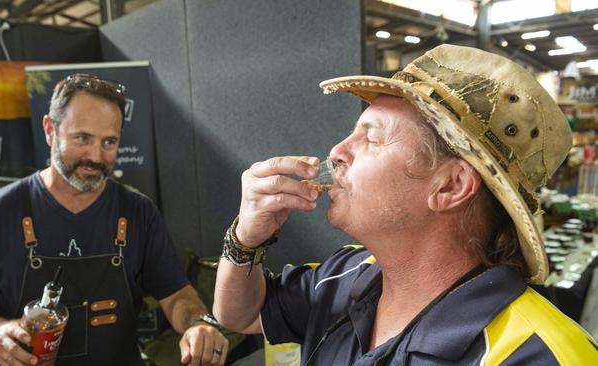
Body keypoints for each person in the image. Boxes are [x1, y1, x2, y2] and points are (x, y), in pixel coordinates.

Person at [213, 44, 598, 365]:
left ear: (450, 186)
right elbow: (241, 314)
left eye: (373, 138)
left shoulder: (538, 354)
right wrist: (245, 240)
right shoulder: (351, 273)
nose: (338, 151)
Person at [0, 74, 228, 366]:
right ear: (50, 130)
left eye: (109, 142)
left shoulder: (137, 211)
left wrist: (199, 324)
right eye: (82, 138)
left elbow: (176, 295)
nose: (95, 156)